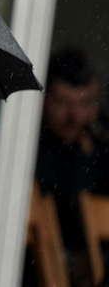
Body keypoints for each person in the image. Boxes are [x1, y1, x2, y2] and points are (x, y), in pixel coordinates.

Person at [33, 47, 107, 286]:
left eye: (85, 103)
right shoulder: (30, 150)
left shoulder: (100, 149)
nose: (74, 116)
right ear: (45, 101)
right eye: (63, 102)